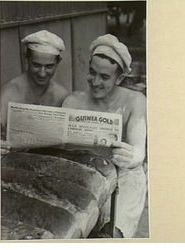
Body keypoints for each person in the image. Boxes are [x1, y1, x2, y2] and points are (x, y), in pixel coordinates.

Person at [62, 34, 147, 238]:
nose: (96, 81)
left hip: (122, 174)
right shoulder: (73, 101)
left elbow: (138, 150)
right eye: (92, 73)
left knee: (111, 226)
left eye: (105, 77)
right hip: (85, 171)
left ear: (119, 78)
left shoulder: (134, 100)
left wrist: (134, 155)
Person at [0, 30, 69, 154]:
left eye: (49, 66)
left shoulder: (61, 94)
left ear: (58, 62)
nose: (42, 73)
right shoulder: (9, 93)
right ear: (27, 58)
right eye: (36, 65)